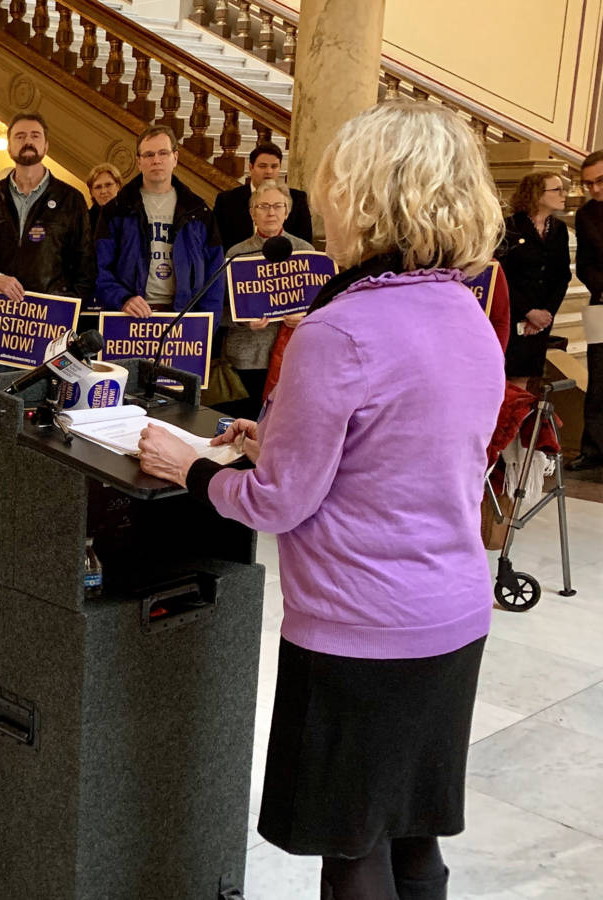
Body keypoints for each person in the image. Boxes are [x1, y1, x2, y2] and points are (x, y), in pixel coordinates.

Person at [138, 101, 506, 900]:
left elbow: (277, 505)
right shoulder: (468, 315)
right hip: (452, 616)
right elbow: (401, 454)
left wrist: (188, 468)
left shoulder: (337, 331)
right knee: (413, 835)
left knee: (353, 851)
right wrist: (276, 437)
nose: (318, 209)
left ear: (367, 200)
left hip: (361, 627)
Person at [0, 114, 95, 324]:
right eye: (20, 136)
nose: (28, 141)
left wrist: (67, 310)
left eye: (35, 136)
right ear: (9, 147)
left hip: (49, 320)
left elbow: (86, 266)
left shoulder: (70, 199)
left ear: (46, 146)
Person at [95, 125, 224, 324]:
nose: (156, 160)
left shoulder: (199, 211)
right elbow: (98, 267)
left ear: (175, 158)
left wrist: (207, 325)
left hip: (183, 318)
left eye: (163, 153)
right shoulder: (116, 210)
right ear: (139, 162)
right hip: (128, 315)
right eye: (148, 155)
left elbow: (215, 275)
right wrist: (122, 299)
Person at [216, 180, 313, 420]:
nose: (271, 212)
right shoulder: (235, 254)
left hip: (291, 357)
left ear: (287, 212)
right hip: (245, 358)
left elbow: (321, 309)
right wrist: (243, 321)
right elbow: (219, 310)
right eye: (263, 206)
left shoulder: (306, 251)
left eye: (278, 206)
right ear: (252, 213)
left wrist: (304, 319)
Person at [497, 172, 570, 391]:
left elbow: (562, 276)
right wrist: (528, 312)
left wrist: (545, 314)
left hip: (540, 320)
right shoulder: (509, 227)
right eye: (556, 189)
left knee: (526, 378)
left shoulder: (559, 229)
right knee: (507, 377)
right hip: (513, 313)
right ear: (537, 194)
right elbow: (502, 276)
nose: (563, 194)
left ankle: (518, 424)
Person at [213, 141, 314, 250]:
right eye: (262, 166)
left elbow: (304, 242)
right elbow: (217, 243)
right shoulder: (227, 200)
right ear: (251, 168)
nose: (269, 171)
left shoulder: (297, 198)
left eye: (274, 166)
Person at [569, 151, 603, 470]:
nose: (594, 190)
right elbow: (584, 265)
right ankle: (592, 450)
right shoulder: (585, 215)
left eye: (600, 181)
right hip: (600, 304)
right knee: (598, 380)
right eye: (588, 184)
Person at [85, 162, 123, 234]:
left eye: (108, 185)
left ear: (118, 186)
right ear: (91, 192)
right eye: (98, 187)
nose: (103, 191)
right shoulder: (84, 222)